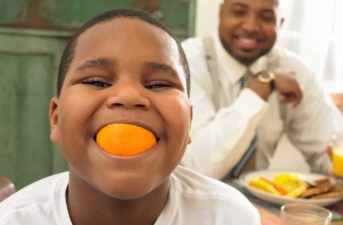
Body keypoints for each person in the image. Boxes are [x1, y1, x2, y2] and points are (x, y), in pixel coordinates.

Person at [0, 9, 261, 225]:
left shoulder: (230, 217)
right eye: (96, 81)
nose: (128, 95)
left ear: (189, 122)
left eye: (158, 84)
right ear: (56, 119)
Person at [181, 0, 343, 186]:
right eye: (239, 12)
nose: (250, 26)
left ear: (280, 23)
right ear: (221, 13)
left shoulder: (293, 70)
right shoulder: (186, 61)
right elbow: (199, 167)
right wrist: (261, 85)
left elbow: (331, 145)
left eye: (265, 17)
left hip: (260, 207)